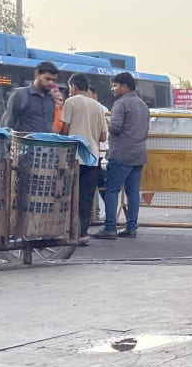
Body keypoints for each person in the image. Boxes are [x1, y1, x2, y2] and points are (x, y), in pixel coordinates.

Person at [91, 72, 149, 240]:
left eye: (115, 85)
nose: (113, 89)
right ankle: (131, 227)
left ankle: (110, 227)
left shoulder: (121, 104)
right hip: (138, 154)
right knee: (133, 192)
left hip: (121, 154)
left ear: (124, 86)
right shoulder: (142, 105)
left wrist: (105, 122)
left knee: (112, 191)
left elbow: (115, 128)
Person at [59, 73, 108, 243]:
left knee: (70, 195)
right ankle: (83, 233)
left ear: (73, 86)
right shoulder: (97, 106)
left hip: (74, 157)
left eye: (69, 87)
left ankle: (71, 231)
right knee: (86, 197)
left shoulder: (70, 102)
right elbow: (103, 136)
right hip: (93, 158)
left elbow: (65, 130)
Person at [1, 61, 61, 133]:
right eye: (47, 79)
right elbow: (8, 124)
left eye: (54, 80)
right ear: (36, 75)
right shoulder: (20, 95)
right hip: (23, 143)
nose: (51, 83)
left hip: (45, 143)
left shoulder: (51, 98)